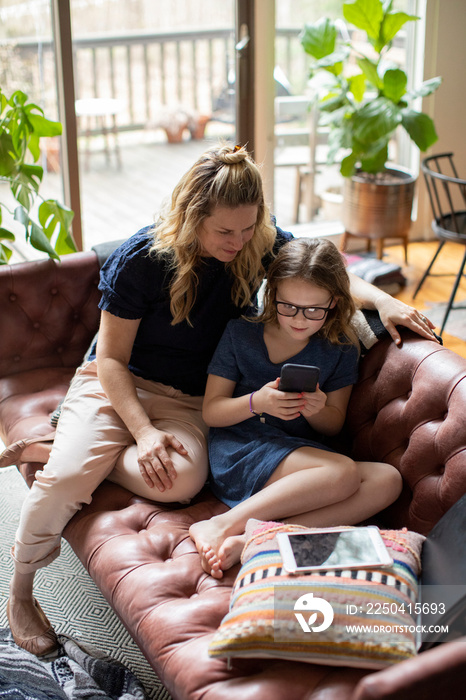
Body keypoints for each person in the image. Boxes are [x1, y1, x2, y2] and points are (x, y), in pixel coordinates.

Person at [4, 143, 436, 657]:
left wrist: (387, 300)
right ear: (192, 218)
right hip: (118, 383)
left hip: (188, 400)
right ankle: (22, 591)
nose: (238, 241)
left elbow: (323, 274)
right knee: (68, 480)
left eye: (248, 227)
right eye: (224, 231)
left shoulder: (258, 242)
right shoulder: (142, 259)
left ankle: (62, 447)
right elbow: (113, 361)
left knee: (180, 481)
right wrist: (142, 432)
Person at [189, 237, 403, 579]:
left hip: (299, 456)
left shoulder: (340, 347)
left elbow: (332, 425)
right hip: (241, 446)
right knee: (343, 473)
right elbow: (212, 412)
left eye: (313, 310)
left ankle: (254, 541)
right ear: (271, 294)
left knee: (388, 480)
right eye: (288, 306)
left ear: (334, 302)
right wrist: (257, 401)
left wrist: (316, 408)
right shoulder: (240, 333)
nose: (299, 320)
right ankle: (219, 524)